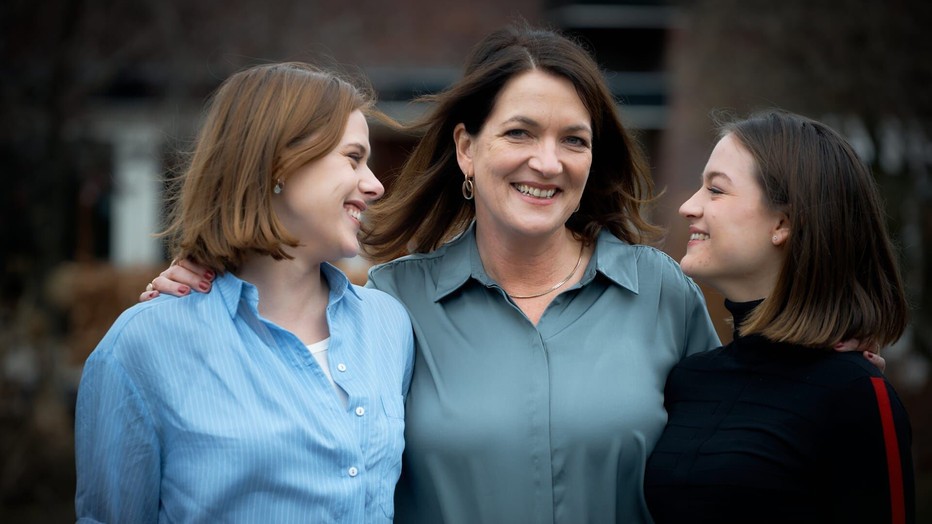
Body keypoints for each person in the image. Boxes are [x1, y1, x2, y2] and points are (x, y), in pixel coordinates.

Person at [144, 26, 883, 523]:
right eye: (520, 133)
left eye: (574, 140)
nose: (547, 162)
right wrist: (206, 274)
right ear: (466, 149)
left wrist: (829, 357)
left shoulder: (663, 292)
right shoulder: (388, 306)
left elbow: (734, 437)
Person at [75, 62, 414, 523]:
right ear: (279, 162)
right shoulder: (144, 346)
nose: (375, 185)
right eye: (353, 158)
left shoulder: (388, 325)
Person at [644, 110, 914, 523]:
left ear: (783, 222)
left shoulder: (854, 393)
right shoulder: (687, 379)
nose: (687, 206)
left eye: (715, 190)